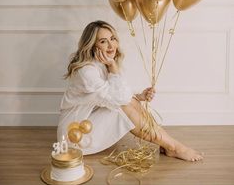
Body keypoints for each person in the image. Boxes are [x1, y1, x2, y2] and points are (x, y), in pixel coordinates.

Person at [57, 20, 204, 162]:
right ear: (92, 46)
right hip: (74, 135)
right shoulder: (87, 71)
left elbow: (114, 95)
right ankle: (174, 146)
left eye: (113, 39)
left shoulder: (101, 64)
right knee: (124, 107)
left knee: (130, 102)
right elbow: (119, 99)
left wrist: (138, 97)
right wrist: (113, 67)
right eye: (103, 41)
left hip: (87, 122)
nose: (111, 45)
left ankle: (168, 144)